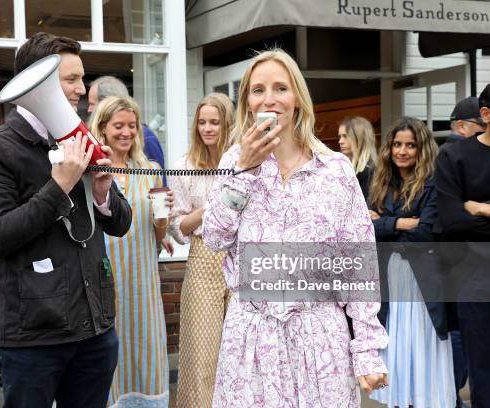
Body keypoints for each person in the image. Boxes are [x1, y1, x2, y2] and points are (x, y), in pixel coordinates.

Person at [202, 49, 388, 408]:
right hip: (252, 341)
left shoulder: (335, 170)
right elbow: (214, 237)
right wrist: (245, 171)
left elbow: (358, 264)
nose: (269, 98)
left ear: (298, 99)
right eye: (258, 90)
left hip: (320, 341)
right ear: (247, 104)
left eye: (280, 88)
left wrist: (366, 348)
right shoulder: (234, 162)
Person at [0, 32, 132, 408]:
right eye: (71, 79)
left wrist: (103, 191)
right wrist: (60, 186)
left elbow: (120, 224)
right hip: (34, 335)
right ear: (33, 78)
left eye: (81, 77)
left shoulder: (78, 136)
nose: (82, 88)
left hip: (95, 329)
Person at [90, 96, 172, 407]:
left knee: (142, 347)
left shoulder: (150, 170)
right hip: (104, 278)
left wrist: (163, 219)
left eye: (132, 126)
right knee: (105, 352)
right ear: (103, 128)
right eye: (118, 126)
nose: (126, 132)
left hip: (141, 282)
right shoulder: (92, 171)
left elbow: (157, 234)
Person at [367, 117, 455, 408]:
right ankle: (401, 400)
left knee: (422, 338)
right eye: (397, 144)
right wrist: (402, 223)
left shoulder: (432, 183)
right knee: (396, 338)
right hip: (391, 275)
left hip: (423, 278)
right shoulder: (381, 183)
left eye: (410, 145)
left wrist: (386, 225)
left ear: (421, 149)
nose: (402, 151)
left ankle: (423, 400)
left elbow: (427, 231)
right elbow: (366, 229)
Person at [167, 93, 234, 408]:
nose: (207, 128)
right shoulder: (184, 166)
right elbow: (178, 228)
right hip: (203, 255)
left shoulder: (243, 164)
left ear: (228, 124)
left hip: (240, 257)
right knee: (201, 353)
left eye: (215, 122)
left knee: (240, 350)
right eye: (202, 122)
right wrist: (211, 208)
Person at [434, 83, 490, 408]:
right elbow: (453, 222)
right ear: (485, 114)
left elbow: (467, 218)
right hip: (476, 282)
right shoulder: (454, 156)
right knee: (482, 374)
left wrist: (483, 208)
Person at [87, 75, 165, 171]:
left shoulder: (146, 138)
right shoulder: (91, 165)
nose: (89, 110)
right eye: (119, 126)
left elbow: (160, 182)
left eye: (92, 104)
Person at [337, 116, 377, 201]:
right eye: (340, 136)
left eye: (345, 136)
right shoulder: (339, 166)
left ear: (360, 138)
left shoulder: (369, 170)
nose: (340, 141)